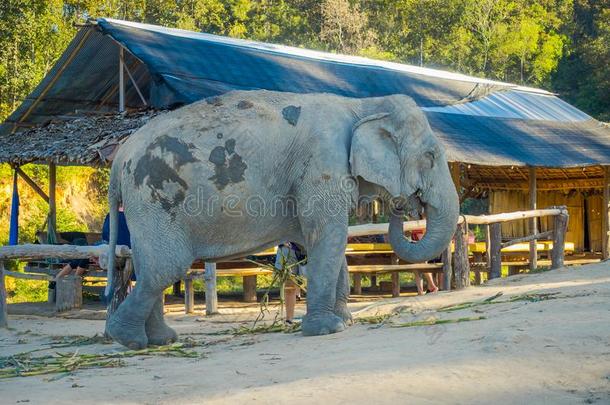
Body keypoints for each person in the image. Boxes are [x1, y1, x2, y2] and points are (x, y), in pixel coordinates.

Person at [275, 242, 306, 324]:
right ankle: (289, 320)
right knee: (289, 287)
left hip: (309, 249)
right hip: (287, 250)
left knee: (313, 284)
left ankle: (314, 316)